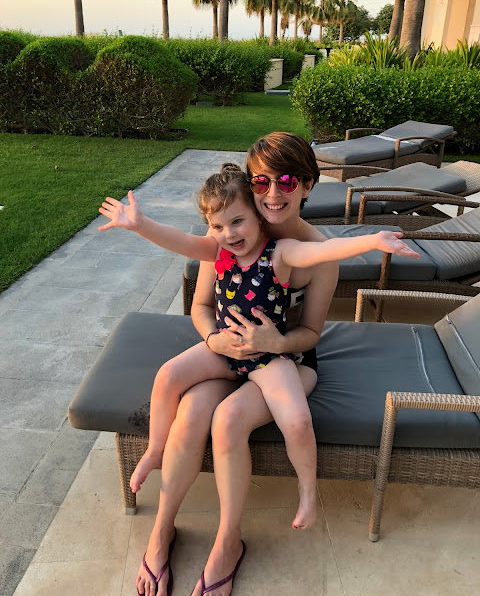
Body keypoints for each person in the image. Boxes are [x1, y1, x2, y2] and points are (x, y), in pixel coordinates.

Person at [98, 138, 419, 596]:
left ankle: (228, 543)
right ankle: (161, 528)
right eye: (261, 181)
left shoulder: (302, 251)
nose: (273, 193)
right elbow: (201, 305)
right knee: (188, 409)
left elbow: (310, 333)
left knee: (228, 419)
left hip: (284, 358)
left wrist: (276, 341)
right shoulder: (231, 229)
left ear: (307, 185)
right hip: (228, 349)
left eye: (286, 181)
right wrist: (214, 339)